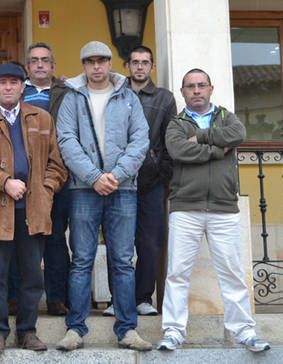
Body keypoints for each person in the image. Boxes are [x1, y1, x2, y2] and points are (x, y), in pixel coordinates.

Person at [157, 69, 270, 352]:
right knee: (177, 273)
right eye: (190, 86)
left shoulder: (226, 117)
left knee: (231, 272)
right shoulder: (176, 124)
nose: (196, 90)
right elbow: (179, 151)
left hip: (224, 208)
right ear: (182, 92)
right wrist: (219, 149)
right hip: (185, 207)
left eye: (201, 85)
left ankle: (244, 332)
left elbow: (239, 134)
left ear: (211, 88)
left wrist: (202, 137)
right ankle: (173, 332)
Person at [0, 63, 67, 353]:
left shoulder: (42, 118)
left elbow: (57, 164)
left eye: (14, 82)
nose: (8, 87)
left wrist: (46, 189)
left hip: (33, 208)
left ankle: (27, 331)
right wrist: (4, 181)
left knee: (33, 274)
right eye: (2, 83)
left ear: (23, 87)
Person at [54, 41, 152, 351]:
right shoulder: (72, 99)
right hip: (84, 189)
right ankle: (75, 329)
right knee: (81, 260)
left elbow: (141, 140)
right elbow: (66, 141)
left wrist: (116, 174)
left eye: (102, 60)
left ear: (110, 63)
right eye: (90, 61)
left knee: (122, 260)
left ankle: (127, 330)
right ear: (83, 66)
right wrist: (94, 177)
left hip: (123, 189)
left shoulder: (129, 98)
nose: (96, 66)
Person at [103, 45, 177, 318]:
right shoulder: (114, 94)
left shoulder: (164, 98)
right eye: (135, 62)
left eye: (145, 62)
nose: (140, 67)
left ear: (152, 67)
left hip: (151, 183)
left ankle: (143, 297)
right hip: (117, 182)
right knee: (117, 243)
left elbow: (171, 138)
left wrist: (163, 173)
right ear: (127, 66)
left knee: (149, 243)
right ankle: (116, 299)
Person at [22, 42, 71, 316]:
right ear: (27, 67)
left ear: (53, 66)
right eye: (34, 61)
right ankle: (17, 299)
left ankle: (56, 298)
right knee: (21, 239)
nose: (39, 65)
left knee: (54, 239)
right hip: (22, 177)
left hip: (57, 175)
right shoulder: (17, 92)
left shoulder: (68, 92)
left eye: (45, 60)